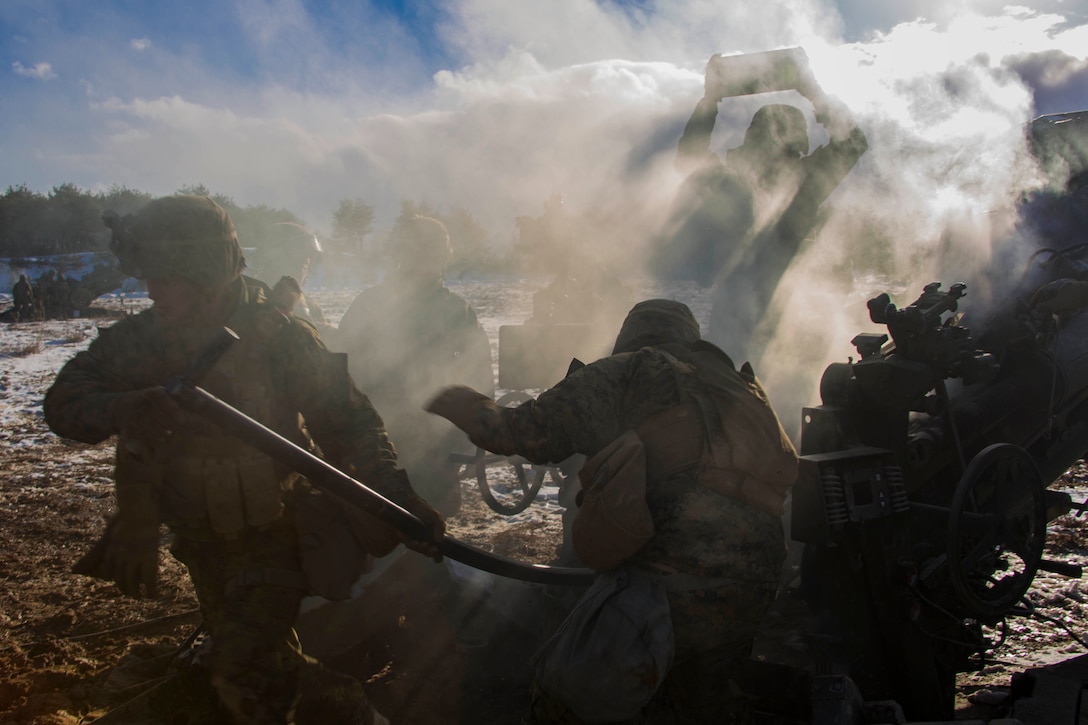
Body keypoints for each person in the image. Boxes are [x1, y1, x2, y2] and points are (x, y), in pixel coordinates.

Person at [43, 195, 445, 725]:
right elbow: (63, 401)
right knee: (250, 672)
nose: (153, 290)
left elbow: (349, 424)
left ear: (206, 271)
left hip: (274, 534)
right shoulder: (143, 339)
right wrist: (123, 407)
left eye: (168, 277)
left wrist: (394, 496)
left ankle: (354, 713)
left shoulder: (279, 338)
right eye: (150, 276)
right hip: (201, 542)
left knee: (242, 665)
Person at [426, 299, 799, 723]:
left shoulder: (630, 370)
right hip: (755, 581)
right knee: (702, 695)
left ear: (629, 338)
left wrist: (459, 402)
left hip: (669, 588)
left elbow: (521, 433)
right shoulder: (737, 386)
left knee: (575, 683)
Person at [653, 48, 868, 366]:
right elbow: (853, 143)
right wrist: (811, 92)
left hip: (777, 332)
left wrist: (712, 103)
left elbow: (690, 154)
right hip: (746, 332)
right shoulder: (785, 192)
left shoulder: (788, 193)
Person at [332, 215, 494, 516]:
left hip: (427, 444)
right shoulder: (373, 306)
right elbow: (341, 375)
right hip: (380, 442)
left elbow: (479, 379)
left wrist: (468, 440)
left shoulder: (454, 310)